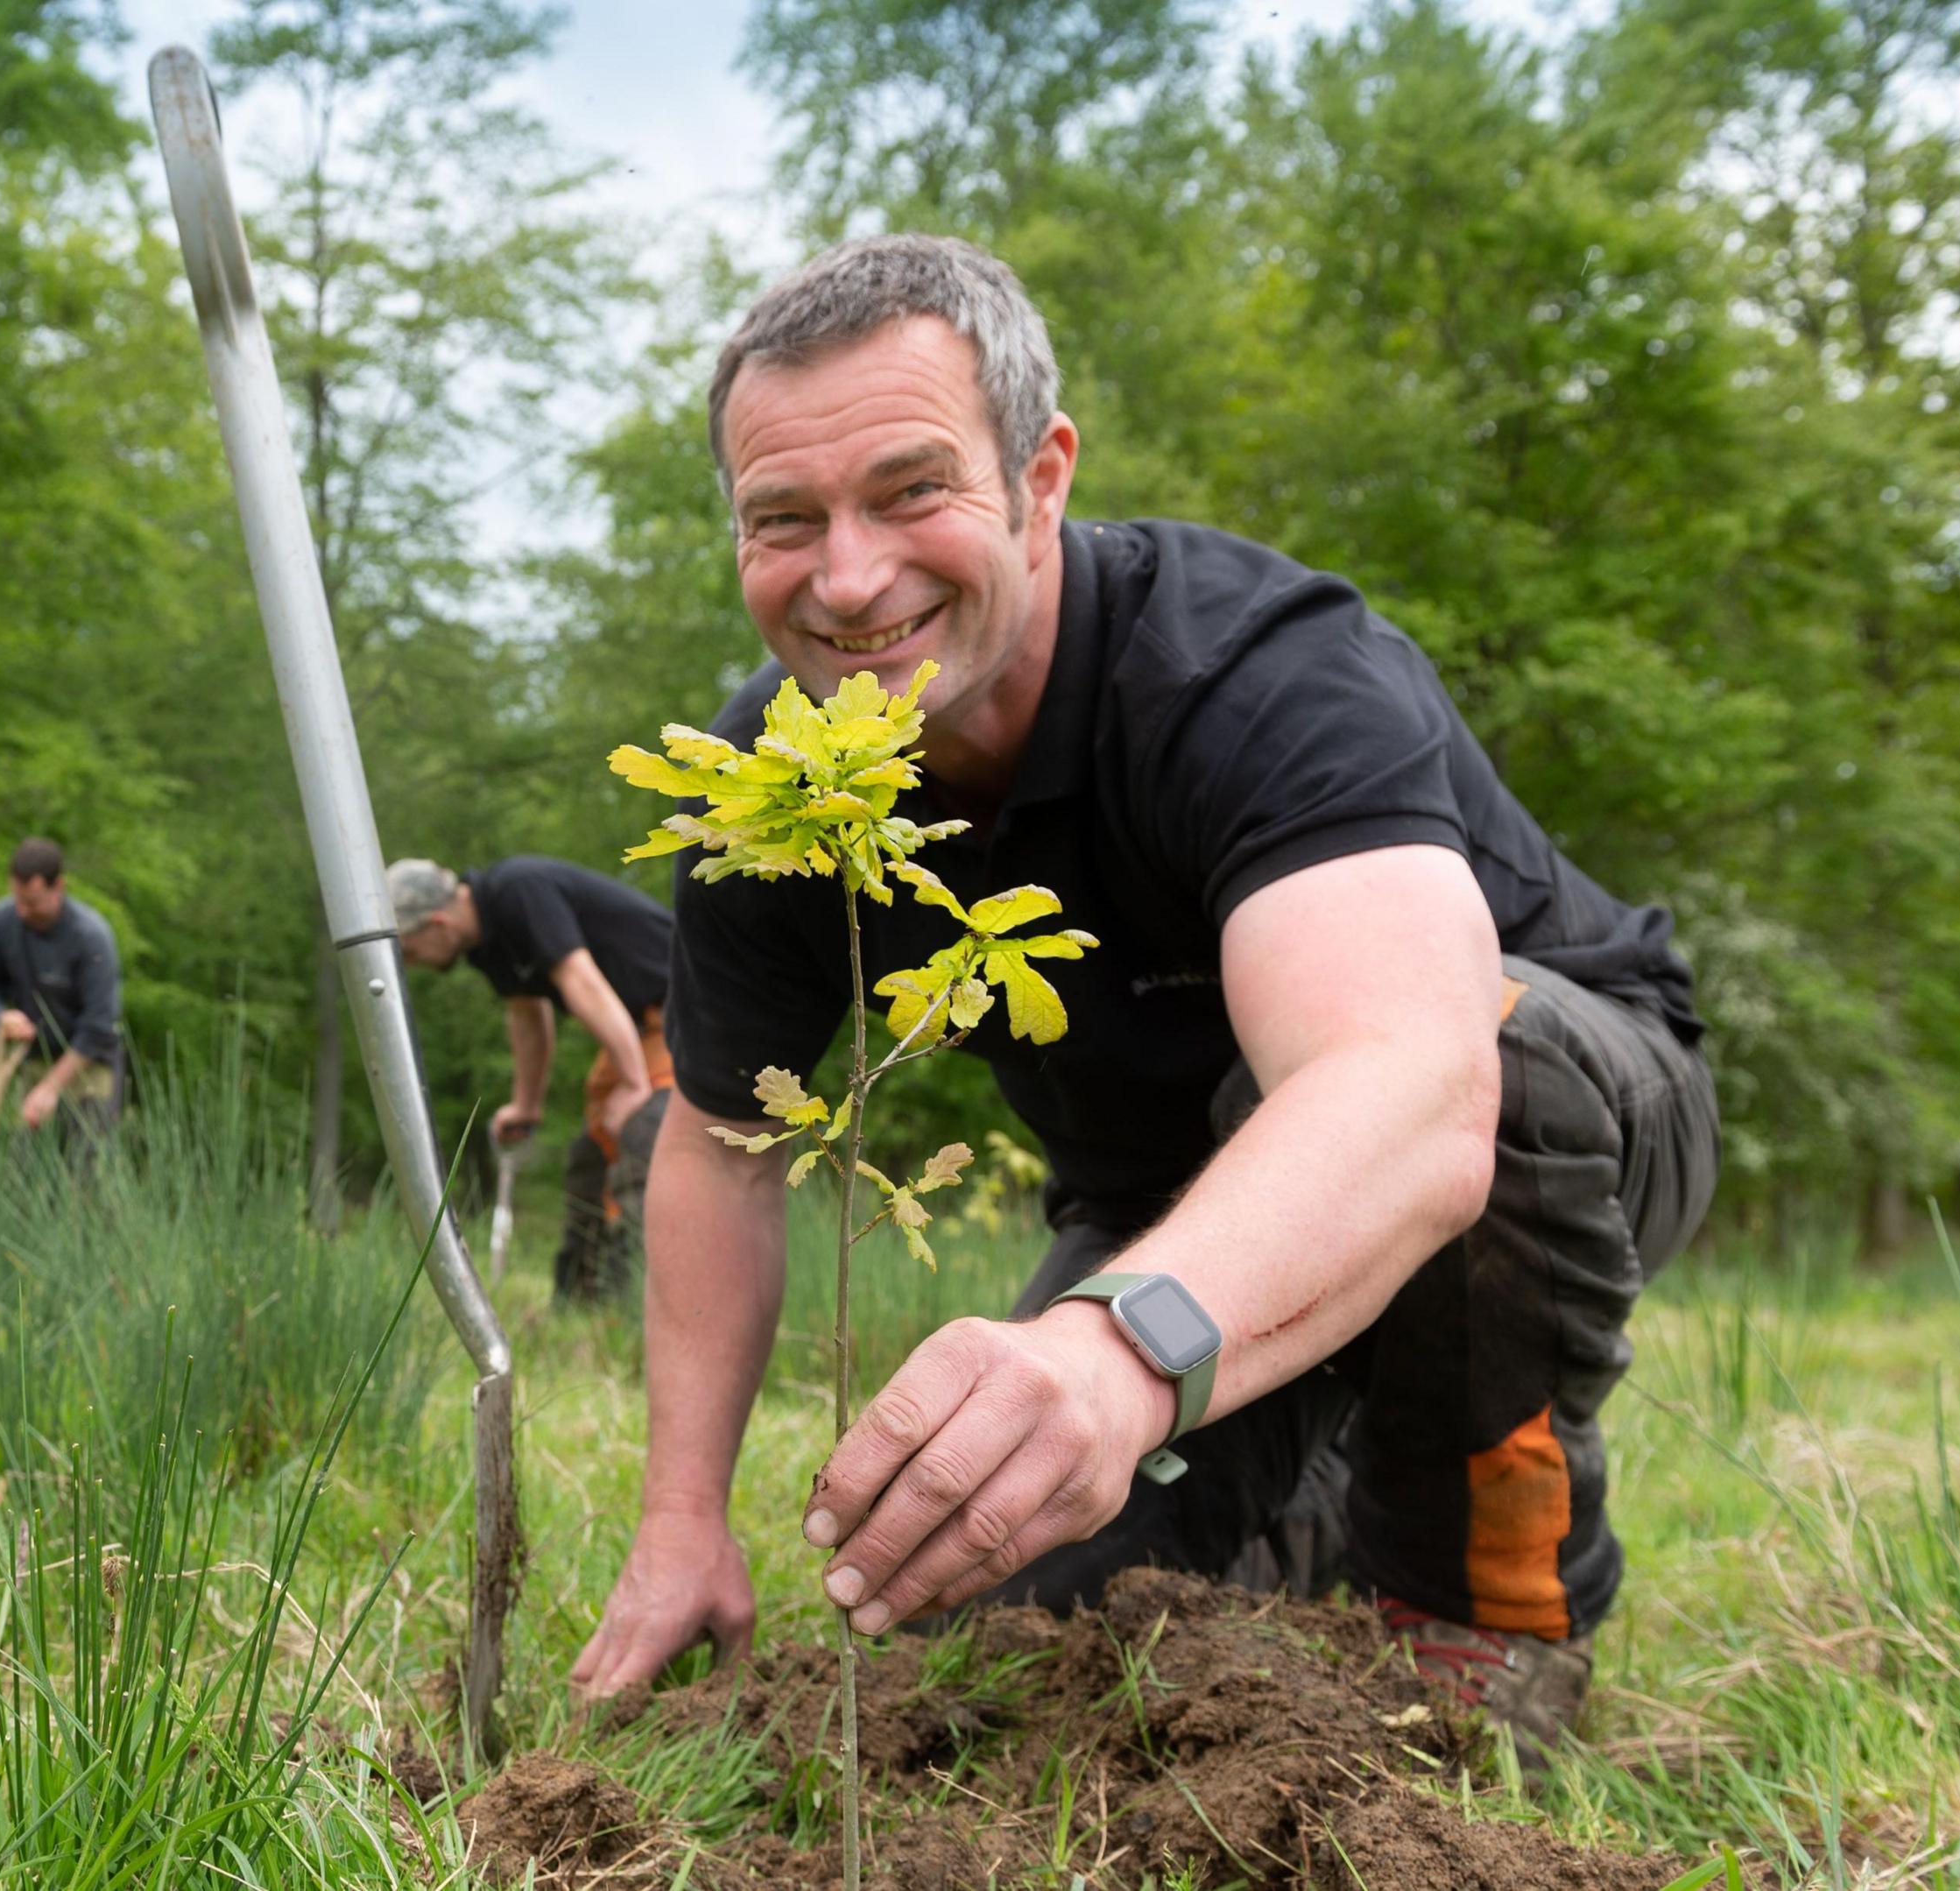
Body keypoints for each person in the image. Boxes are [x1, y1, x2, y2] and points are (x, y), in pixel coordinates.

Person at [568, 236, 1717, 1765]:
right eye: (786, 519)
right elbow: (721, 1139)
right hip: (1166, 1213)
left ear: (1041, 479)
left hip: (1558, 1111)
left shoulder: (1249, 667)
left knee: (1497, 1048)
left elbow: (1416, 1088)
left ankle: (1475, 1613)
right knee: (998, 1629)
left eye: (913, 491)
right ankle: (1302, 1496)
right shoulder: (775, 793)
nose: (848, 578)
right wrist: (679, 1518)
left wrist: (1116, 1356)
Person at [388, 856, 675, 1302]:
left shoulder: (518, 890)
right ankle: (584, 1311)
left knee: (642, 1140)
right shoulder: (484, 944)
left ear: (438, 923)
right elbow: (528, 1013)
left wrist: (636, 1086)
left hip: (686, 1010)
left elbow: (581, 980)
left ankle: (644, 1311)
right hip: (636, 1030)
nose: (415, 962)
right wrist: (527, 1105)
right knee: (590, 1159)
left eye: (410, 950)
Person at [0, 838, 125, 1151]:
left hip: (89, 1064)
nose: (23, 911)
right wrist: (0, 1016)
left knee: (86, 1164)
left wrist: (51, 1088)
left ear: (58, 887)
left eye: (33, 902)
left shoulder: (91, 936)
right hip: (33, 1060)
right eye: (18, 899)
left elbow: (99, 1025)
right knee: (26, 1168)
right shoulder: (0, 922)